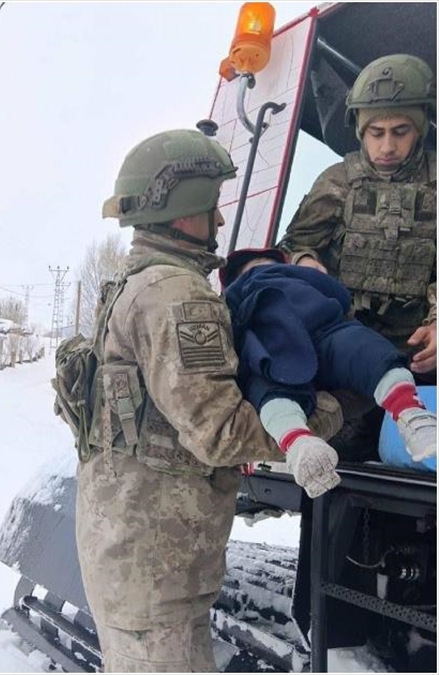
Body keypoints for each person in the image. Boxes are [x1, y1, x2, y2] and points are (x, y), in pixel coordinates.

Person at [79, 129, 343, 672]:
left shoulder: (132, 282)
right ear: (181, 211)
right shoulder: (177, 296)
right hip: (157, 568)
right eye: (211, 205)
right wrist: (325, 415)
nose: (219, 221)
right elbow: (219, 430)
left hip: (130, 554)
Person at [278, 54, 436, 460]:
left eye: (400, 131)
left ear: (420, 128)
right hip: (349, 351)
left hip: (422, 355)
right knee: (341, 478)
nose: (387, 146)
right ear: (360, 131)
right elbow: (294, 245)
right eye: (376, 132)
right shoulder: (336, 181)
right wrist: (304, 263)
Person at [220, 248, 436, 481]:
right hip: (276, 346)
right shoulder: (242, 290)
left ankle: (411, 414)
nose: (260, 268)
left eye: (265, 262)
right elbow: (337, 293)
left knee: (366, 351)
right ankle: (299, 444)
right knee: (271, 389)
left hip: (307, 339)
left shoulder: (259, 285)